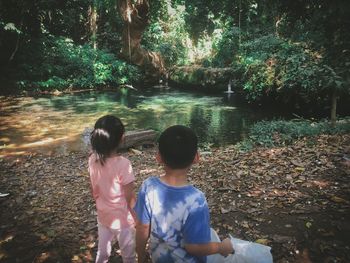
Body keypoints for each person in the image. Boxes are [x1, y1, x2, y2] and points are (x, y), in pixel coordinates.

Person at [134, 125, 234, 263]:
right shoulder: (197, 201)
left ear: (159, 157)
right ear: (196, 158)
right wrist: (221, 247)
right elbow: (194, 247)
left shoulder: (148, 186)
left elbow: (142, 227)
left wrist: (140, 256)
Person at [89, 115, 136, 263]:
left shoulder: (92, 159)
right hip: (122, 220)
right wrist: (138, 218)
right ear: (122, 138)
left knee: (103, 252)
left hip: (103, 215)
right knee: (128, 255)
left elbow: (94, 188)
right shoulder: (124, 164)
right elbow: (130, 198)